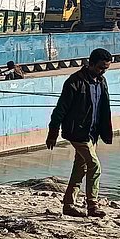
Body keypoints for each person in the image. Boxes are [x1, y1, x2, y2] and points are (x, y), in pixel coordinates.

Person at [46, 48, 113, 218]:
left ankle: (68, 205)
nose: (103, 71)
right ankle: (92, 205)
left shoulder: (101, 81)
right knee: (95, 165)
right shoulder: (74, 82)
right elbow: (60, 109)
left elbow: (104, 109)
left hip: (92, 133)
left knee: (80, 168)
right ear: (90, 64)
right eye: (100, 68)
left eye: (106, 68)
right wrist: (53, 132)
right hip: (77, 133)